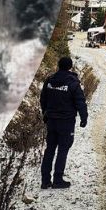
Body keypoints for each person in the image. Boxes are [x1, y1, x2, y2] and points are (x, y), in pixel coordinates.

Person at [40, 56, 87, 190]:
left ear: (58, 65)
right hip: (66, 122)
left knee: (50, 149)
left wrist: (45, 113)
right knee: (63, 149)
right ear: (70, 67)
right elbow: (80, 101)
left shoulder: (49, 80)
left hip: (52, 121)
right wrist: (84, 117)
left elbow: (43, 98)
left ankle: (45, 180)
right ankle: (58, 180)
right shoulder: (73, 83)